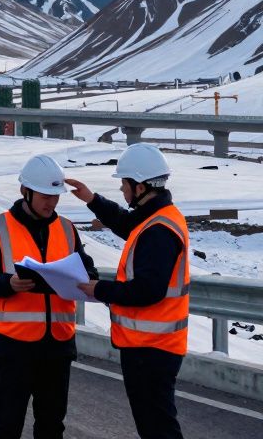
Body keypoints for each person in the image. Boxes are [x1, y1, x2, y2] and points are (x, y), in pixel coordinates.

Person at [0, 154, 98, 439]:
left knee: (52, 425)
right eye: (44, 196)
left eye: (55, 196)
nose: (51, 203)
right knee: (8, 423)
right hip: (14, 345)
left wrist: (87, 279)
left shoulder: (66, 228)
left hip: (58, 345)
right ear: (25, 192)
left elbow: (88, 269)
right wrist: (8, 283)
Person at [66, 143, 188, 439]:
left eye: (124, 183)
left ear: (141, 185)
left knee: (158, 427)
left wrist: (101, 289)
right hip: (150, 345)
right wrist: (91, 199)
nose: (122, 189)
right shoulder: (157, 216)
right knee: (155, 424)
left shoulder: (158, 230)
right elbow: (124, 222)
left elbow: (148, 290)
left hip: (151, 348)